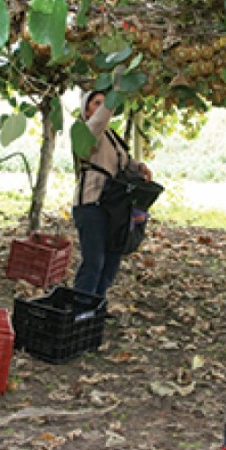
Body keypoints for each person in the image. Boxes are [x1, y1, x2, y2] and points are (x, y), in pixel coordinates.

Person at [72, 91, 152, 298]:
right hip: (91, 205)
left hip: (113, 206)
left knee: (111, 260)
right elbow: (100, 120)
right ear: (87, 111)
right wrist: (116, 90)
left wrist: (140, 167)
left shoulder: (112, 136)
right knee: (94, 261)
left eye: (104, 103)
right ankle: (79, 309)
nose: (103, 107)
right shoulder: (88, 131)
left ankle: (95, 307)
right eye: (96, 103)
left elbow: (125, 163)